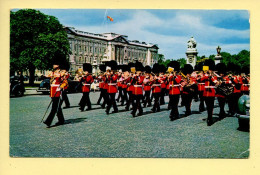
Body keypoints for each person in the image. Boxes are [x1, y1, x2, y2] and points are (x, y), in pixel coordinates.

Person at [43, 62, 67, 127]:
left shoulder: (62, 73)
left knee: (54, 107)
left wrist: (60, 87)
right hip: (53, 92)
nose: (54, 65)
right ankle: (61, 120)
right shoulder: (52, 73)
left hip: (58, 91)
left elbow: (65, 82)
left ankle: (48, 121)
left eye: (55, 64)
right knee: (57, 107)